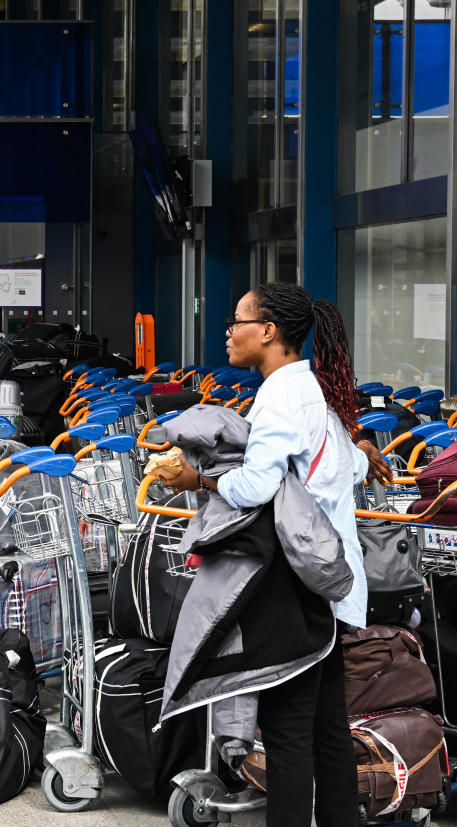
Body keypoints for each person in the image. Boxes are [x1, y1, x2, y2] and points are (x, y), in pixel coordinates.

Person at [163, 283, 390, 827]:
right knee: (326, 728)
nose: (228, 329)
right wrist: (361, 453)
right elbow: (336, 468)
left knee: (289, 731)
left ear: (266, 331)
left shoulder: (281, 395)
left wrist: (197, 478)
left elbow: (256, 486)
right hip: (329, 581)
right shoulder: (312, 388)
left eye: (236, 319)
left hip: (292, 586)